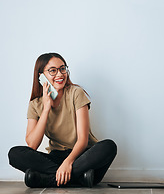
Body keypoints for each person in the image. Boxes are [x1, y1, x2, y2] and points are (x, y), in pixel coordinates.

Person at [8, 53, 117, 188]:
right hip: (56, 158)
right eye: (53, 70)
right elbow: (32, 144)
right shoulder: (35, 104)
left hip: (83, 157)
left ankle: (47, 180)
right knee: (15, 154)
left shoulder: (76, 93)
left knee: (109, 146)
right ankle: (80, 179)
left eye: (62, 68)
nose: (60, 74)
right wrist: (46, 108)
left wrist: (68, 162)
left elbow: (82, 140)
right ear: (41, 76)